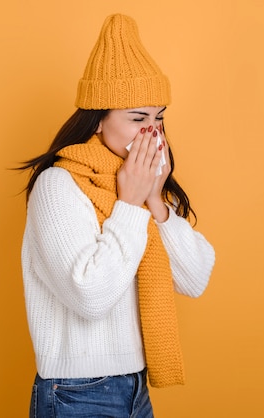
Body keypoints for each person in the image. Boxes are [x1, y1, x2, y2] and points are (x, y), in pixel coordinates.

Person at [19, 13, 215, 418]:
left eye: (159, 117)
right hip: (75, 394)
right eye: (137, 118)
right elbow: (90, 296)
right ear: (98, 118)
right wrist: (129, 204)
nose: (153, 134)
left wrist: (155, 201)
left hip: (136, 389)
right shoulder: (59, 186)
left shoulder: (141, 186)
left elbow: (195, 279)